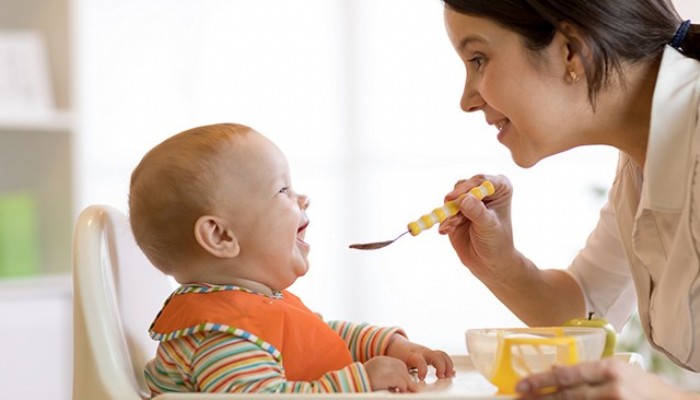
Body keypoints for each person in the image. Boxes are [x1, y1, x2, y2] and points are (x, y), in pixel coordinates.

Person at [436, 0, 700, 398]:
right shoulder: (642, 159)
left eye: (478, 59)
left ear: (570, 51)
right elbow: (585, 313)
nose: (467, 100)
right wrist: (500, 265)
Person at [128, 123, 454, 396]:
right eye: (283, 190)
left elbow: (321, 336)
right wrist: (360, 382)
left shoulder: (253, 309)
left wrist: (387, 345)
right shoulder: (221, 336)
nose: (303, 198)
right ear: (221, 236)